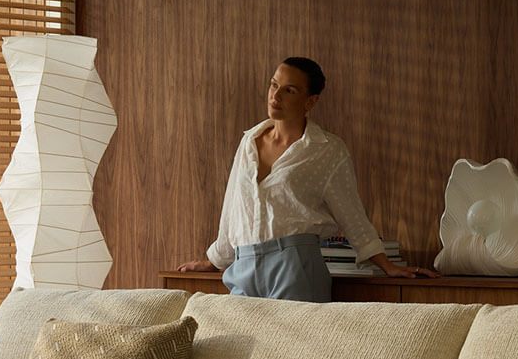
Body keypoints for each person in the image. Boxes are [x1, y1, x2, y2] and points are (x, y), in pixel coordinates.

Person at [177, 57, 439, 302]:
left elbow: (351, 214)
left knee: (293, 351)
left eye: (289, 90)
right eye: (273, 85)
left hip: (295, 265)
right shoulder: (249, 141)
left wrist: (387, 265)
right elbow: (233, 208)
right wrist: (215, 260)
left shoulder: (327, 150)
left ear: (310, 101)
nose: (275, 96)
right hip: (243, 265)